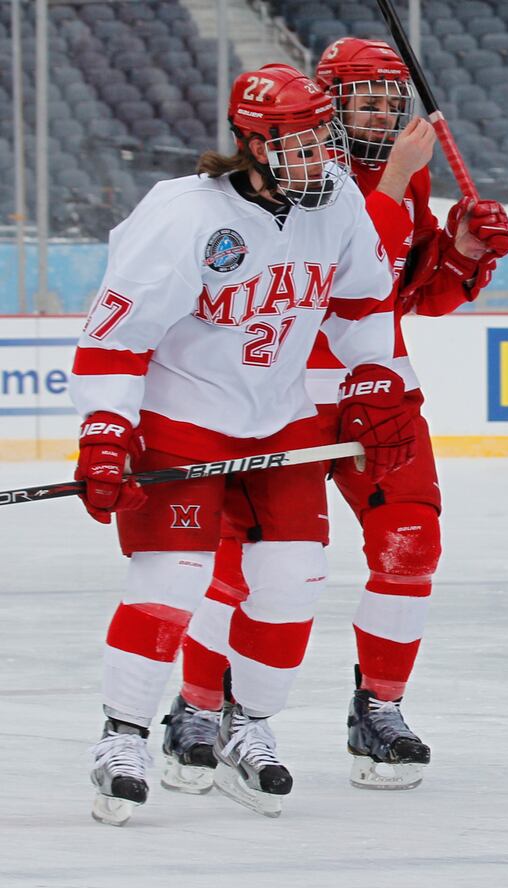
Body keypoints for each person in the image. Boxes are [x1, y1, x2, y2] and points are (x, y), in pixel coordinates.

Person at [160, 38, 508, 795]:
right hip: (276, 398)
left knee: (410, 543)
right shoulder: (289, 176)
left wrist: (459, 253)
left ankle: (379, 707)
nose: (384, 112)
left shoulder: (406, 177)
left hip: (376, 389)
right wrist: (389, 184)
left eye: (394, 99)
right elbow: (331, 279)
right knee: (247, 567)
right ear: (327, 102)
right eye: (366, 98)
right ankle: (197, 704)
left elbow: (404, 293)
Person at [73, 64, 415, 825]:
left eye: (324, 140)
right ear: (253, 145)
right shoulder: (183, 214)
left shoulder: (337, 204)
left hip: (281, 415)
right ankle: (121, 737)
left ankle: (247, 726)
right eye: (299, 144)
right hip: (182, 416)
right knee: (172, 577)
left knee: (294, 577)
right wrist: (105, 431)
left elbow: (363, 304)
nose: (320, 158)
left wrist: (371, 379)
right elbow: (116, 340)